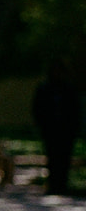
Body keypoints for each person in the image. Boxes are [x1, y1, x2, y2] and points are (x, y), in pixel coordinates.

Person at [31, 62, 80, 195]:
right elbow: (37, 108)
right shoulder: (45, 89)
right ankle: (53, 185)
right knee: (52, 158)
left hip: (66, 130)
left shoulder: (69, 89)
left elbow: (75, 110)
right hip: (50, 129)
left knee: (64, 158)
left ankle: (62, 185)